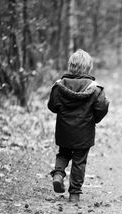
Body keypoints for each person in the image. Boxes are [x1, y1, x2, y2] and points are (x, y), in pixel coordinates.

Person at [48, 49, 109, 203]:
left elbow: (53, 106)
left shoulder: (59, 86)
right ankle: (74, 194)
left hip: (64, 129)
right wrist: (94, 119)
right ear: (88, 67)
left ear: (70, 66)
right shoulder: (95, 89)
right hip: (84, 131)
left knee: (63, 154)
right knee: (79, 160)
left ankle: (58, 174)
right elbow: (101, 107)